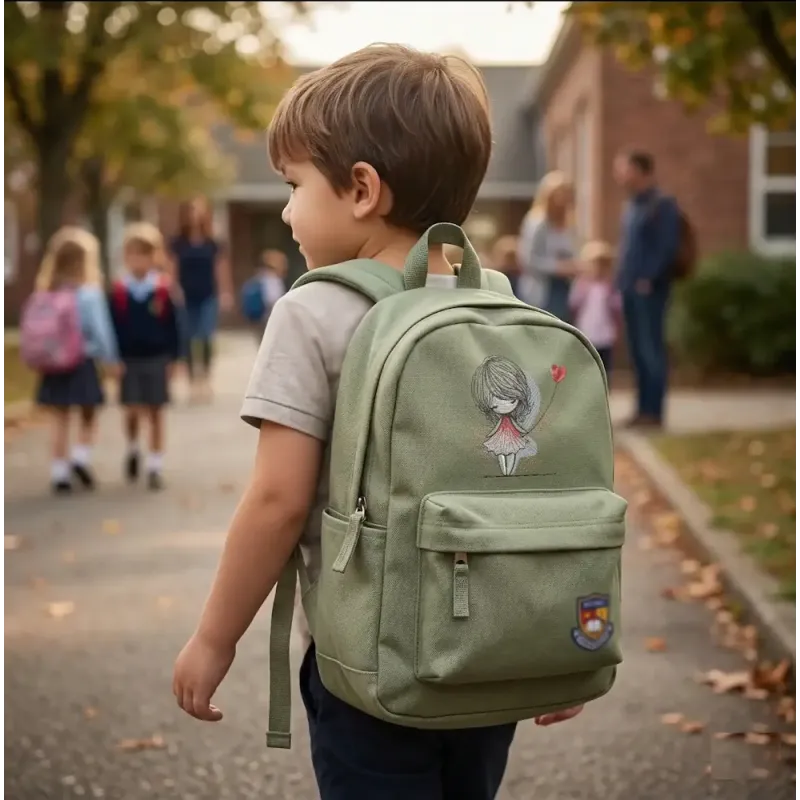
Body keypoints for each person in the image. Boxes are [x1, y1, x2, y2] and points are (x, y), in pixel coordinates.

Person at [172, 44, 583, 800]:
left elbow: (277, 501)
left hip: (369, 667)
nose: (288, 209)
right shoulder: (501, 303)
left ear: (361, 189)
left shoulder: (312, 311)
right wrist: (552, 645)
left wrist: (213, 637)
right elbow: (537, 493)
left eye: (293, 185)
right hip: (487, 655)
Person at [30, 227, 120, 493]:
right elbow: (101, 331)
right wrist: (111, 359)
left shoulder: (45, 292)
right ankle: (80, 457)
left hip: (55, 365)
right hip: (83, 361)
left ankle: (59, 472)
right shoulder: (89, 294)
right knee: (89, 415)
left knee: (59, 418)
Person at [109, 223, 181, 491]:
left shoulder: (162, 290)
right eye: (133, 255)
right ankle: (132, 448)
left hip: (157, 358)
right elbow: (112, 327)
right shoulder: (118, 292)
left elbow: (175, 327)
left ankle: (155, 464)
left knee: (156, 411)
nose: (138, 261)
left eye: (144, 254)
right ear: (125, 257)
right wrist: (113, 359)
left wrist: (175, 359)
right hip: (129, 359)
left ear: (155, 257)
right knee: (131, 410)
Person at [613, 149, 680, 428]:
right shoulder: (631, 206)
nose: (619, 175)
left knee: (651, 350)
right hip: (629, 289)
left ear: (640, 171)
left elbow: (666, 247)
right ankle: (641, 411)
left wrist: (647, 278)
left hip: (649, 290)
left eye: (624, 168)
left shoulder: (662, 204)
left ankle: (655, 412)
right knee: (638, 352)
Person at [167, 198, 233, 402]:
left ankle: (205, 379)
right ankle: (192, 381)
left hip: (208, 295)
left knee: (205, 337)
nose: (194, 214)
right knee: (186, 338)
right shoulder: (177, 242)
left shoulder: (213, 243)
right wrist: (173, 288)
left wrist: (225, 292)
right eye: (191, 210)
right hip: (185, 296)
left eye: (198, 210)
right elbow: (172, 269)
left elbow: (221, 269)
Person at [516, 170, 578, 320]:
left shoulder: (568, 223)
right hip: (543, 291)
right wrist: (559, 268)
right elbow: (528, 260)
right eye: (560, 194)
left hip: (565, 289)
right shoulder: (537, 223)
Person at [569, 240, 622, 379]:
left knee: (605, 368)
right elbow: (573, 305)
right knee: (587, 367)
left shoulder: (610, 286)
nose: (598, 269)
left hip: (605, 333)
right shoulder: (581, 285)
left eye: (602, 266)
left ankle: (604, 394)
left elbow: (617, 308)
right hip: (587, 332)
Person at [240, 248, 289, 341]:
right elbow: (273, 299)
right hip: (268, 317)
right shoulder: (273, 280)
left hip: (258, 318)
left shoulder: (259, 277)